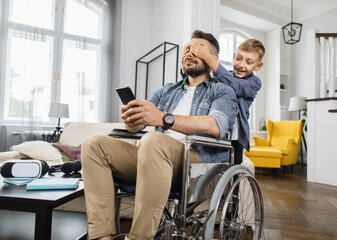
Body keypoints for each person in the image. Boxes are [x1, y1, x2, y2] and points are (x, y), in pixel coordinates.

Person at [81, 30, 238, 240]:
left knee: (154, 140)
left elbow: (216, 125)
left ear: (213, 58)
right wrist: (133, 120)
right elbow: (144, 120)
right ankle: (102, 237)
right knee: (93, 144)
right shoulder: (167, 90)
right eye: (187, 49)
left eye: (197, 49)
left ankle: (139, 238)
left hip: (194, 161)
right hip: (153, 157)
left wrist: (165, 118)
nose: (189, 53)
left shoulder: (221, 90)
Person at [188, 38, 265, 164]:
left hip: (235, 137)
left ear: (258, 66)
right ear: (234, 56)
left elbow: (235, 85)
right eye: (238, 58)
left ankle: (235, 183)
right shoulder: (224, 75)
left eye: (249, 62)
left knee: (234, 170)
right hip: (218, 132)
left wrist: (209, 58)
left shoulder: (254, 83)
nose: (241, 65)